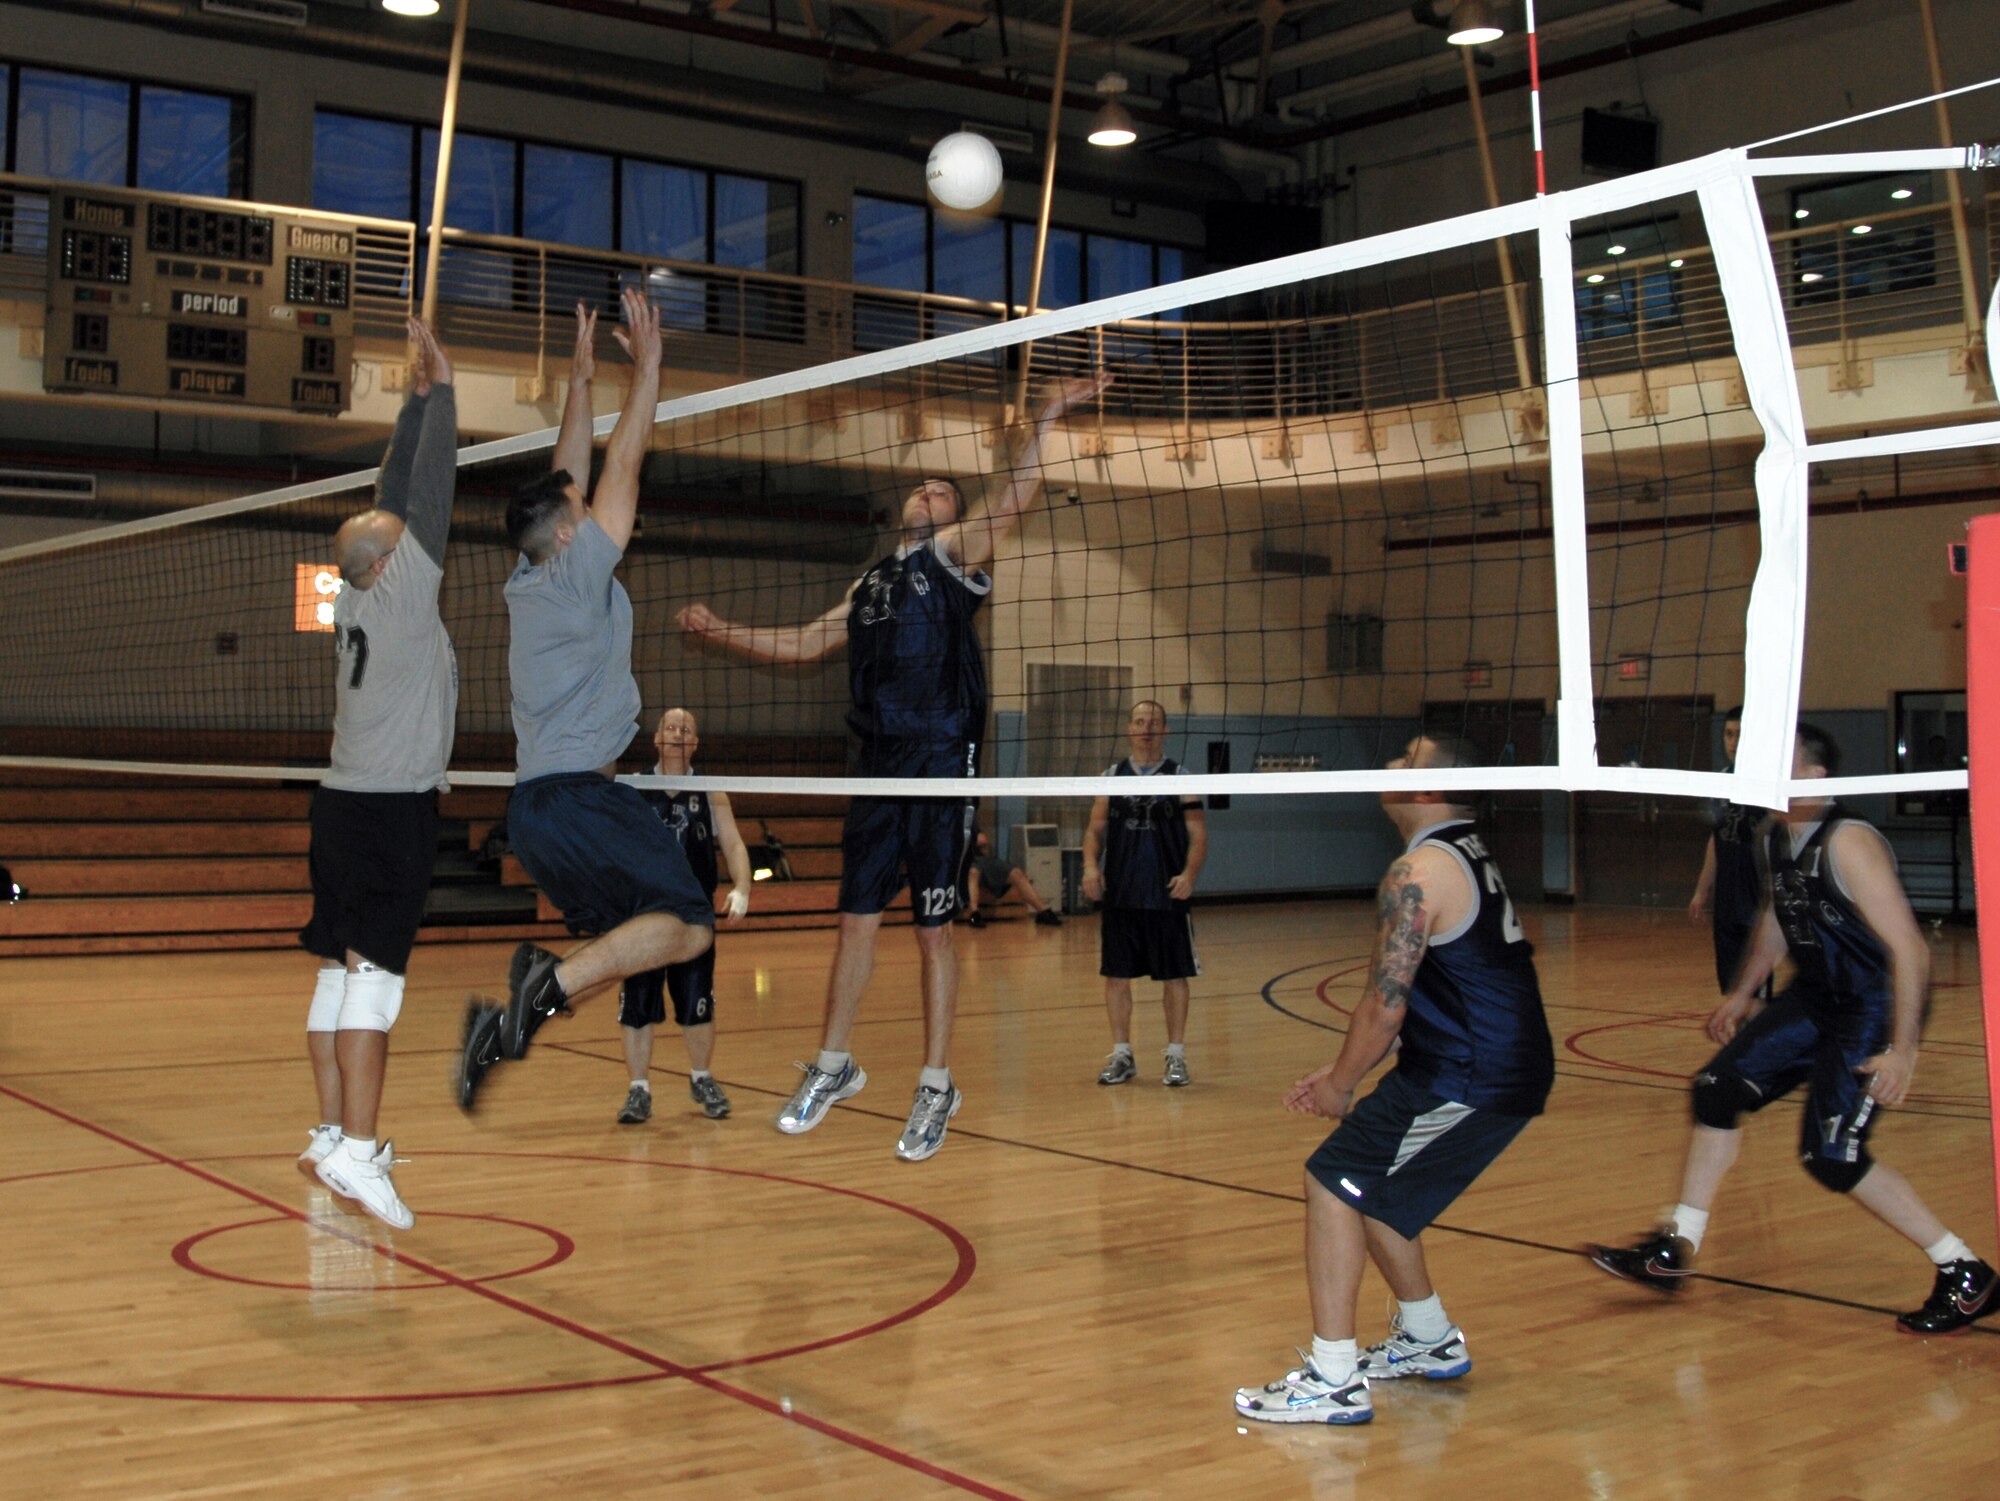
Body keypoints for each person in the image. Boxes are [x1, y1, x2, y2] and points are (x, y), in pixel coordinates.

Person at [678, 369, 1112, 1160]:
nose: (930, 490)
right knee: (855, 924)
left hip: (941, 765)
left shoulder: (952, 560)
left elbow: (1013, 499)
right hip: (877, 769)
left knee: (936, 933)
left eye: (945, 489)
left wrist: (1044, 420)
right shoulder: (871, 580)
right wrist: (721, 629)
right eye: (923, 486)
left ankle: (937, 1082)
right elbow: (809, 641)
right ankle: (835, 1065)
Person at [1588, 723, 1996, 1335]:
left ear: (1815, 777)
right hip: (1816, 998)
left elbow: (1912, 950)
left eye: (1779, 762)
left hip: (1872, 1007)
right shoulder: (1778, 835)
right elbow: (1778, 920)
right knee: (1716, 1090)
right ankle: (1674, 1250)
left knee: (1832, 1155)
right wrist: (1742, 992)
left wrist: (1903, 1050)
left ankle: (1965, 1272)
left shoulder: (1848, 842)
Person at [1235, 734, 1552, 1426]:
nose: (1389, 762)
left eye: (1406, 758)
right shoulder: (1462, 849)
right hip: (1465, 1060)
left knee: (1333, 1178)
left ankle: (1334, 1377)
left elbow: (1385, 1002)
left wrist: (1342, 1085)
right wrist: (1349, 1066)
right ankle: (1429, 1339)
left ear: (1425, 790)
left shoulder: (1419, 872)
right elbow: (1449, 986)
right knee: (1371, 1188)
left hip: (1475, 1072)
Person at [457, 291, 714, 1106]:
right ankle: (541, 985)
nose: (585, 502)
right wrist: (648, 371)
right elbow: (623, 464)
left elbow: (565, 474)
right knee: (691, 924)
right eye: (580, 511)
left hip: (538, 808)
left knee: (643, 928)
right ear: (570, 536)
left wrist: (578, 375)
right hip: (576, 798)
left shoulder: (527, 579)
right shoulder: (574, 574)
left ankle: (529, 1002)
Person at [298, 318, 460, 1230]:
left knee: (335, 972)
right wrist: (444, 397)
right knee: (376, 985)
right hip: (390, 811)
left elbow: (390, 492)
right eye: (405, 540)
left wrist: (416, 400)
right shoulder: (400, 591)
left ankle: (328, 1133)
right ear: (391, 562)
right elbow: (425, 490)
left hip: (340, 805)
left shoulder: (356, 593)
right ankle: (359, 1154)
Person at [616, 707, 752, 1124]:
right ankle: (638, 1089)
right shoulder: (634, 789)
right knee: (637, 1004)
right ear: (657, 738)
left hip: (693, 919)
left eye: (687, 729)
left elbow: (733, 845)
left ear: (694, 743)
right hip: (643, 916)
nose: (678, 734)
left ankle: (701, 1077)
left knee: (698, 1002)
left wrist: (742, 887)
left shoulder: (711, 791)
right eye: (671, 728)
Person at [1081, 700, 1207, 1087]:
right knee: (1117, 977)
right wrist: (1089, 867)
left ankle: (1176, 1055)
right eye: (1139, 721)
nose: (1146, 727)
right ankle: (1122, 1055)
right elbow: (1095, 831)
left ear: (1165, 730)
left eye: (1153, 722)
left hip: (1167, 894)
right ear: (1129, 728)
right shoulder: (1112, 776)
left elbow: (1198, 834)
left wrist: (1189, 873)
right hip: (1121, 893)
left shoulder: (1181, 776)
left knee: (1175, 977)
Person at [1688, 706, 1770, 1002]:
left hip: (1758, 896)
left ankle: (1757, 1045)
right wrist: (1701, 890)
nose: (1733, 741)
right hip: (1726, 899)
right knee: (1729, 984)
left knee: (1755, 988)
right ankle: (1740, 1042)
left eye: (1740, 734)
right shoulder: (1720, 782)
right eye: (1729, 734)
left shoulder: (1768, 783)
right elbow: (1716, 839)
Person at [963, 830, 1062, 929]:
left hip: (983, 859)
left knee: (1016, 873)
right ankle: (974, 914)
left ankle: (1043, 912)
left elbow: (982, 840)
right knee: (973, 871)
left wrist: (967, 842)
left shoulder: (969, 820)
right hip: (963, 861)